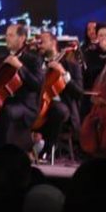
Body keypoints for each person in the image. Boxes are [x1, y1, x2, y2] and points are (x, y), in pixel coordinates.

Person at [0, 23, 43, 152]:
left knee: (7, 111)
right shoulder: (1, 59)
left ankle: (3, 152)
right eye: (6, 35)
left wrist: (20, 66)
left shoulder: (33, 59)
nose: (7, 38)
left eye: (11, 35)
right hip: (5, 101)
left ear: (22, 38)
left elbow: (37, 85)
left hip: (25, 105)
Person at [30, 30, 83, 160]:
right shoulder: (36, 62)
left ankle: (47, 149)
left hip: (62, 106)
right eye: (38, 43)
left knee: (58, 110)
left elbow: (79, 93)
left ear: (53, 42)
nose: (39, 45)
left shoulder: (71, 65)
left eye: (42, 42)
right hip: (38, 103)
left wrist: (63, 73)